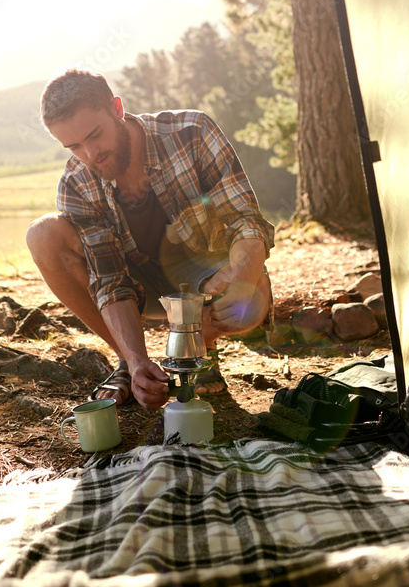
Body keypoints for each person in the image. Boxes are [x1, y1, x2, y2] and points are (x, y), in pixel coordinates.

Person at [26, 68, 274, 411]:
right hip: (141, 291)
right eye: (74, 146)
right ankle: (129, 365)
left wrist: (241, 281)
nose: (90, 153)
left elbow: (244, 221)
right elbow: (110, 282)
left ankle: (200, 347)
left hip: (205, 282)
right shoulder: (76, 183)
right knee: (43, 235)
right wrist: (138, 359)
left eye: (95, 135)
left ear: (117, 108)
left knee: (254, 291)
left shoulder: (193, 131)